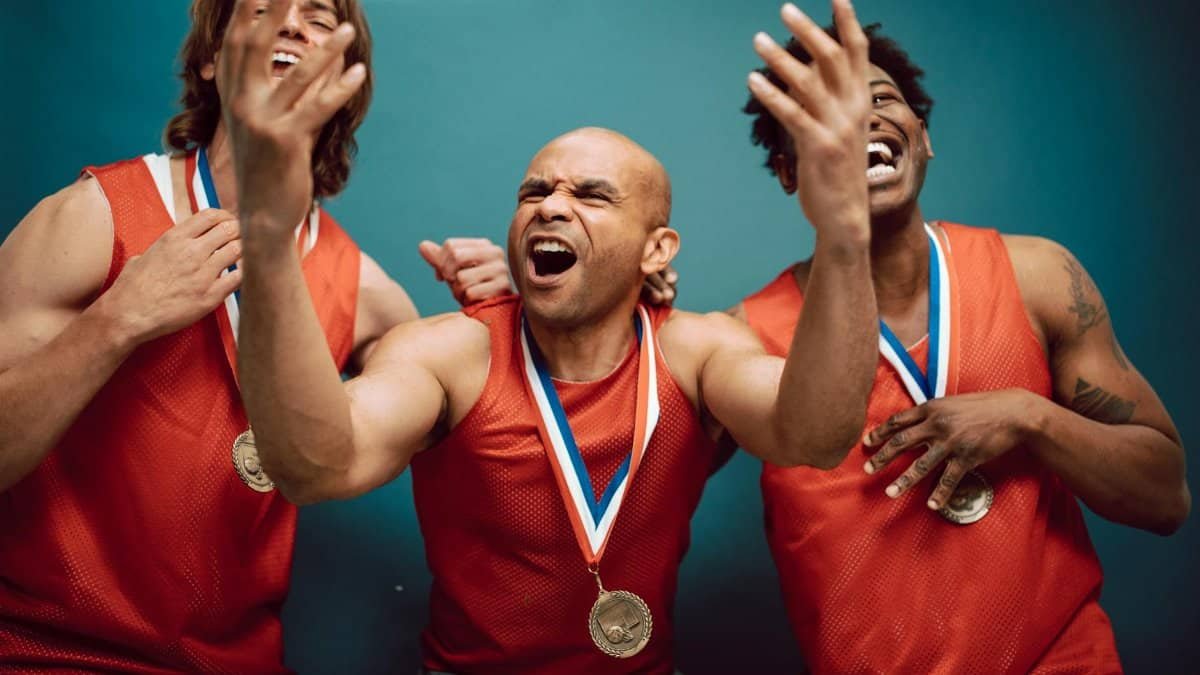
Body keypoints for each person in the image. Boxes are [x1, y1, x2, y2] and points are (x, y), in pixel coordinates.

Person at [219, 0, 880, 672]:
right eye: (533, 193)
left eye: (592, 196)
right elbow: (317, 467)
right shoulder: (449, 354)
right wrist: (269, 233)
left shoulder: (698, 353)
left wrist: (844, 232)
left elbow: (815, 435)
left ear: (656, 250)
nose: (551, 206)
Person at [0, 1, 513, 671]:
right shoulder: (94, 217)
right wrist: (119, 317)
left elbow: (486, 455)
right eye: (264, 9)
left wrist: (505, 314)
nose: (291, 24)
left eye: (319, 18)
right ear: (212, 60)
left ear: (345, 80)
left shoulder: (366, 292)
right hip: (49, 653)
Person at [735, 9, 1190, 673]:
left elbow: (1166, 496)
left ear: (923, 138)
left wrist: (1030, 416)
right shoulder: (744, 337)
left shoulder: (1038, 276)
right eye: (824, 113)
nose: (859, 118)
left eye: (880, 99)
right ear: (788, 170)